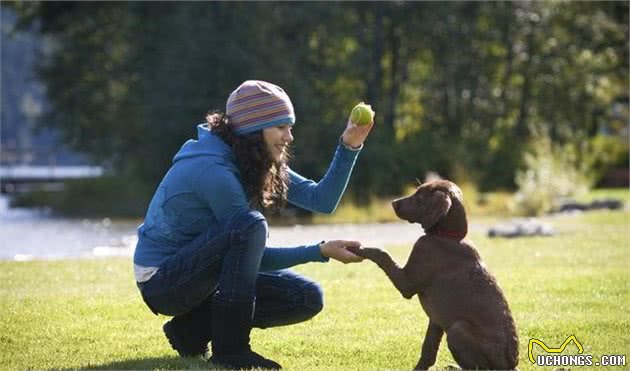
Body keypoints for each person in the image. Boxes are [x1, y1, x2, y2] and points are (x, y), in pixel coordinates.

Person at [133, 80, 374, 369]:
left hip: (200, 275)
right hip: (163, 282)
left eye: (290, 126)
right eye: (281, 127)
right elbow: (254, 253)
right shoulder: (214, 170)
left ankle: (191, 330)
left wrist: (350, 145)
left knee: (306, 298)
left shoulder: (250, 156)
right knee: (249, 225)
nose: (289, 136)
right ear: (252, 130)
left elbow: (321, 200)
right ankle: (231, 351)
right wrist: (319, 251)